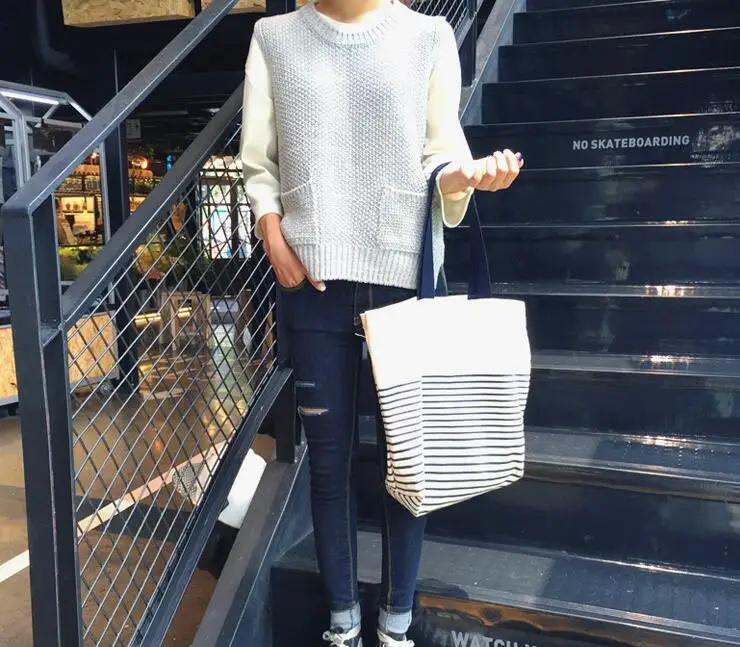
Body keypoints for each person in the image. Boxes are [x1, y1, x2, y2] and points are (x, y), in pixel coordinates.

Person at [239, 1, 523, 645]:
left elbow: (439, 154)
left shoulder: (428, 35)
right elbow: (259, 160)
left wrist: (466, 176)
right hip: (312, 282)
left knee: (410, 459)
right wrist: (271, 233)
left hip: (405, 280)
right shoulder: (273, 36)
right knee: (327, 465)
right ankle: (342, 625)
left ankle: (395, 626)